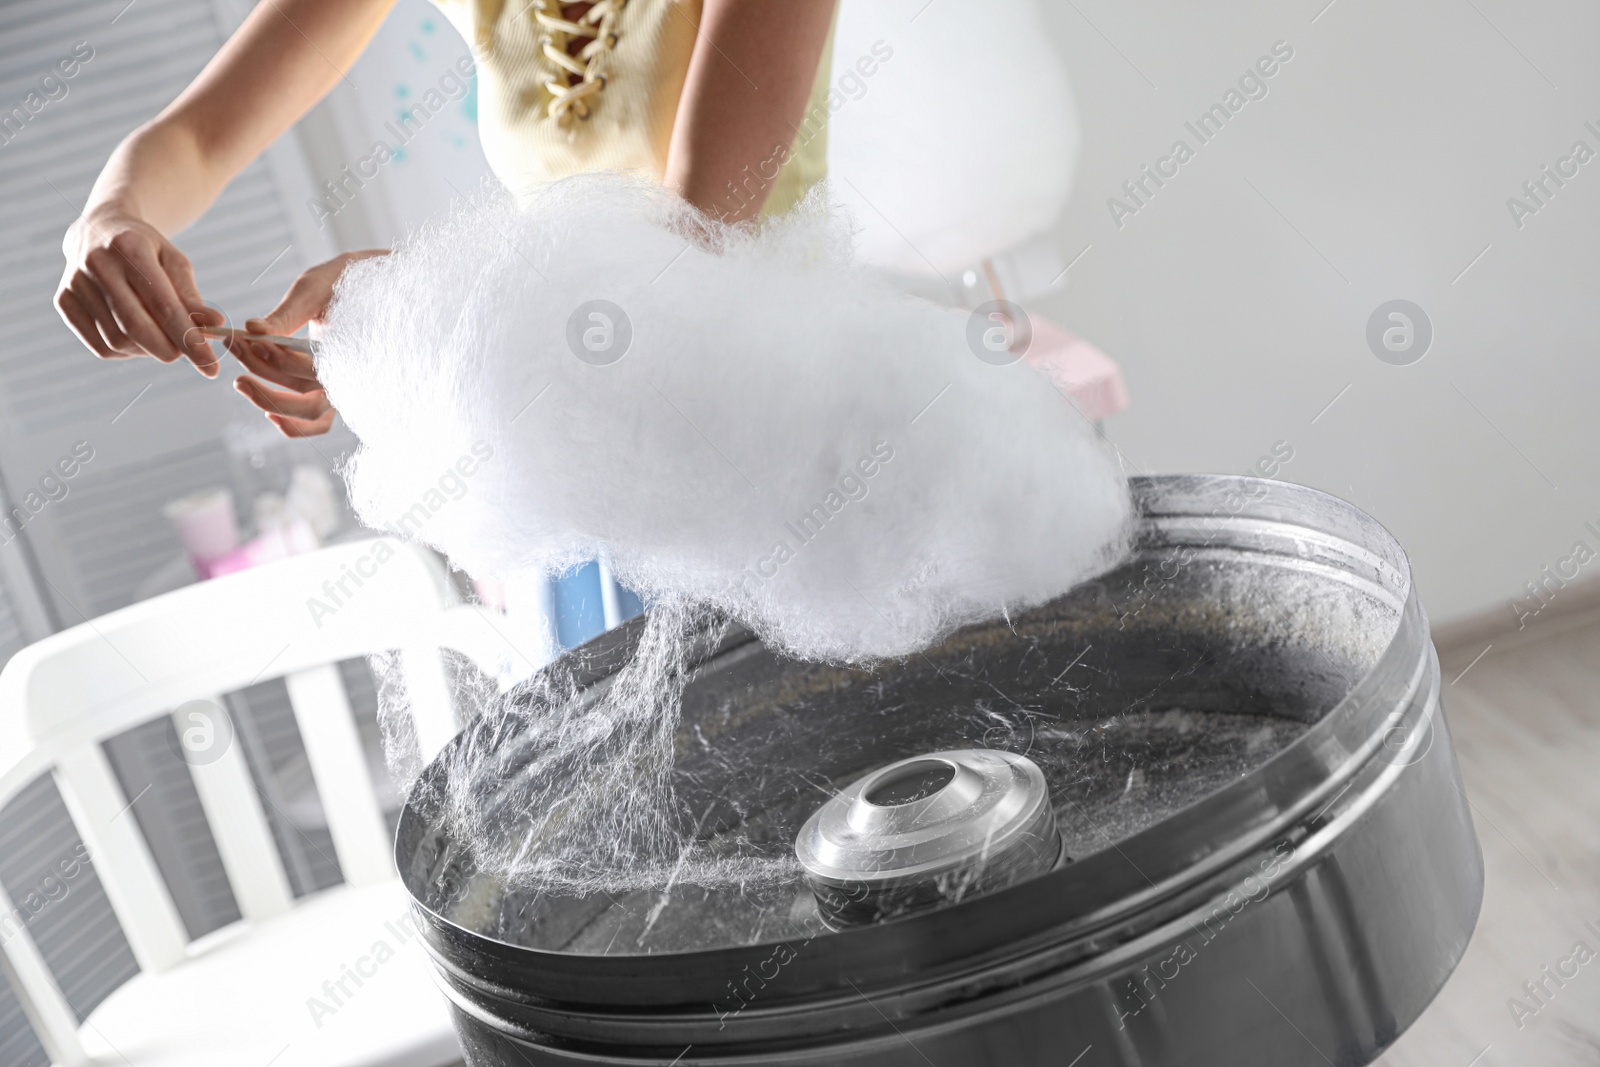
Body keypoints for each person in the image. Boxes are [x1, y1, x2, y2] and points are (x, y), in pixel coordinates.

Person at [56, 0, 837, 437]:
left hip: (771, 434)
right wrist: (108, 219)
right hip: (572, 453)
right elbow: (195, 138)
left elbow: (684, 263)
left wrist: (420, 307)